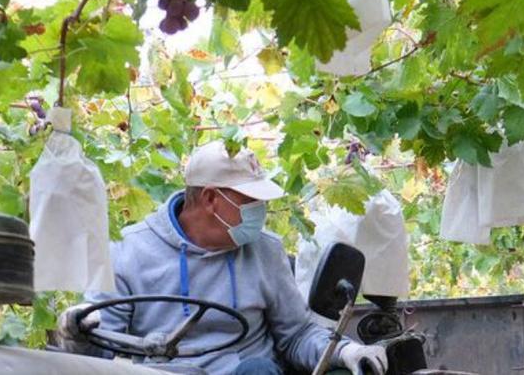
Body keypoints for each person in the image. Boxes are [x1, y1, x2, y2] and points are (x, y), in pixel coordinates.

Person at [56, 141, 387, 375]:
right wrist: (76, 332)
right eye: (251, 201)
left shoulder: (265, 250)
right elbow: (98, 354)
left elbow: (296, 334)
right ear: (211, 198)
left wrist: (348, 350)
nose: (261, 211)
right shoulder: (128, 252)